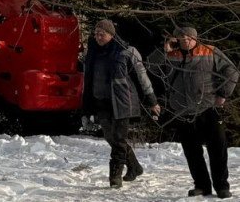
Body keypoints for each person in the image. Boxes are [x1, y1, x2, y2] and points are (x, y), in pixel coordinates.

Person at [149, 26, 239, 199]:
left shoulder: (209, 51)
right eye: (181, 37)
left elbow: (232, 71)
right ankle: (202, 185)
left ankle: (222, 186)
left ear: (195, 38)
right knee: (192, 151)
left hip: (208, 107)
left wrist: (223, 94)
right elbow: (150, 67)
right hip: (181, 110)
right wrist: (163, 49)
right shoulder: (170, 55)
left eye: (189, 37)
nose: (185, 40)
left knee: (218, 148)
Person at [82, 18, 161, 189]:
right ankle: (134, 167)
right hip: (101, 101)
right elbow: (87, 81)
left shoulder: (126, 52)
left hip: (122, 101)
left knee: (119, 139)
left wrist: (152, 100)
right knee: (111, 138)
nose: (98, 37)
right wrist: (86, 107)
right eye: (96, 34)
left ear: (111, 35)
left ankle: (114, 177)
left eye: (102, 34)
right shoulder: (93, 53)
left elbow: (142, 77)